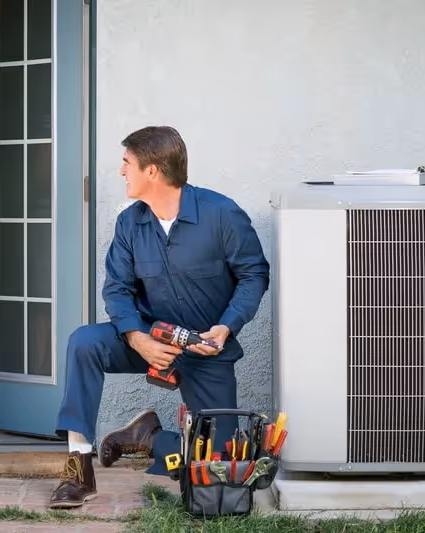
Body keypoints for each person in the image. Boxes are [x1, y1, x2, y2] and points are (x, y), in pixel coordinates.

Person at [49, 126, 270, 508]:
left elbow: (255, 274)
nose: (121, 172)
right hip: (151, 339)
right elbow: (117, 289)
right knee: (84, 342)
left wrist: (226, 326)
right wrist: (138, 338)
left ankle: (149, 438)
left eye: (126, 163)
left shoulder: (222, 214)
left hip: (205, 350)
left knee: (217, 468)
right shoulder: (130, 224)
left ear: (152, 171)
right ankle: (78, 468)